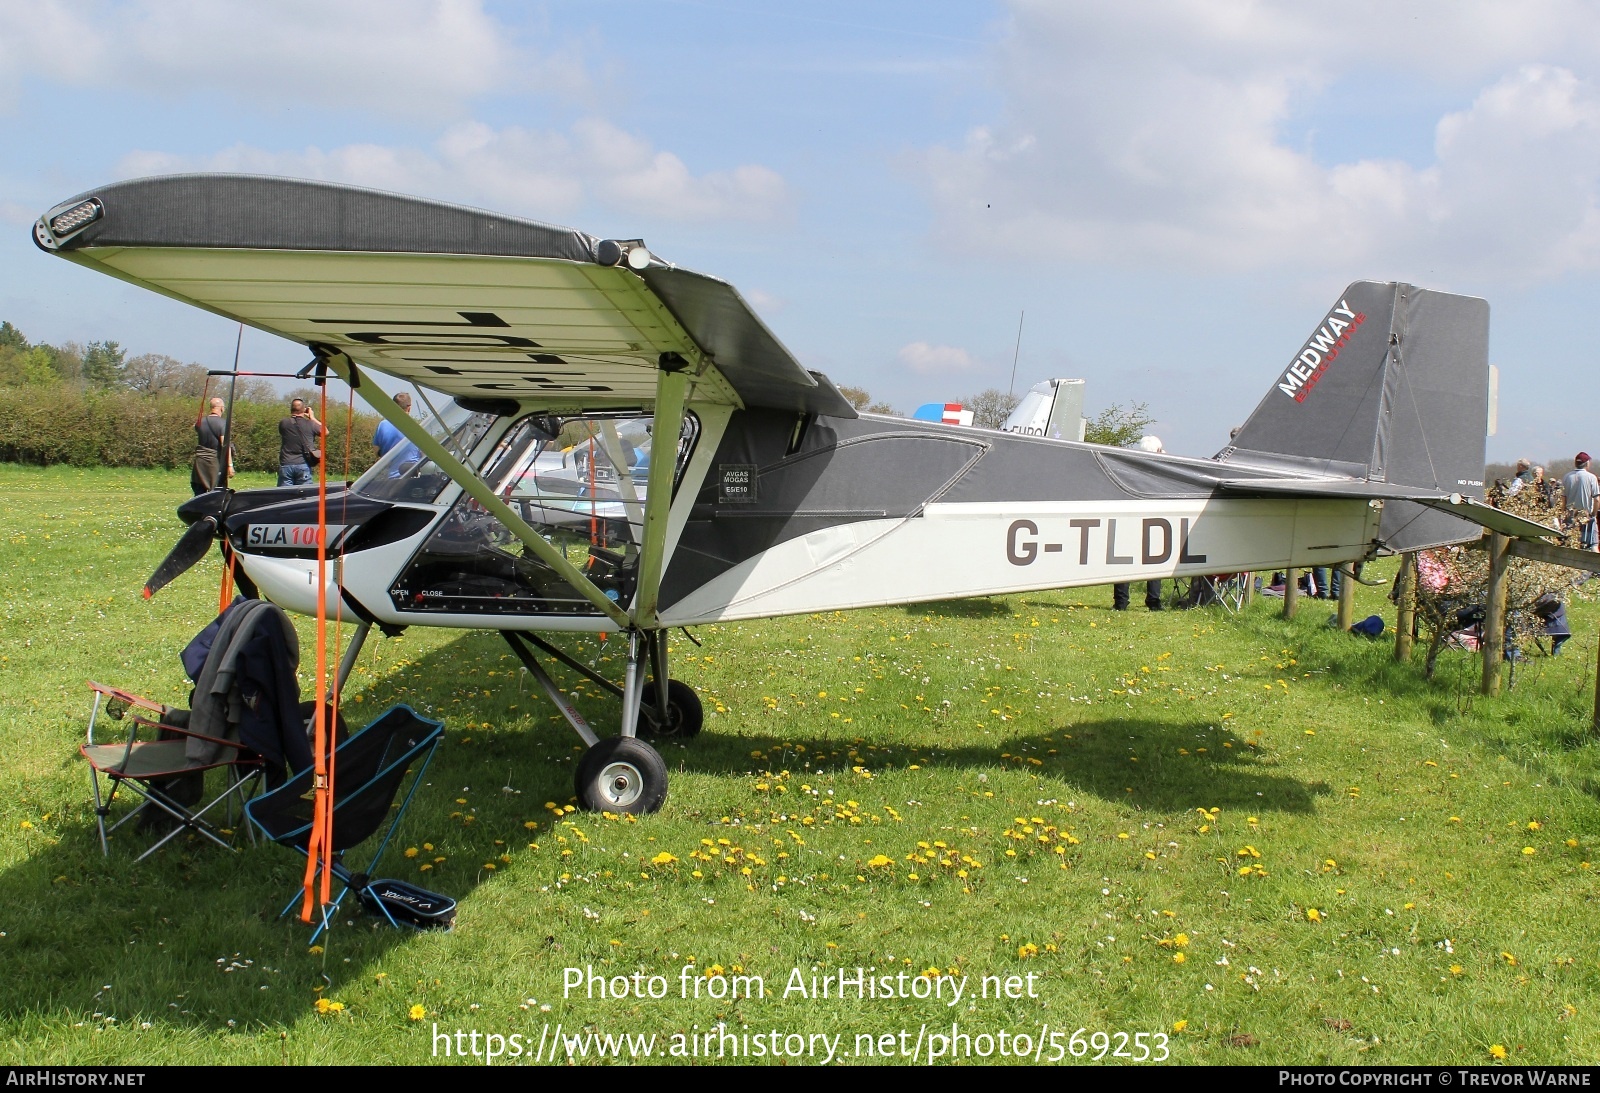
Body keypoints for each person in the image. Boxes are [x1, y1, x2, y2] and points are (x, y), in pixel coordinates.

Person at [191, 396, 234, 495]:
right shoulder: (223, 423)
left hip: (199, 463)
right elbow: (225, 446)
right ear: (221, 408)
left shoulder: (199, 422)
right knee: (216, 493)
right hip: (213, 464)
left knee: (199, 494)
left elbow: (195, 428)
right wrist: (230, 465)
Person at [277, 397, 323, 487]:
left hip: (286, 464)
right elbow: (325, 432)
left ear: (291, 409)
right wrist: (312, 417)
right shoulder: (311, 424)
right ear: (304, 410)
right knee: (304, 496)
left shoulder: (283, 423)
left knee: (284, 497)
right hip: (303, 464)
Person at [372, 391, 422, 475]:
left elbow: (376, 450)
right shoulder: (417, 427)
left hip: (389, 479)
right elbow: (424, 453)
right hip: (411, 477)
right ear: (409, 407)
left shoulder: (382, 425)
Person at [1561, 452, 1599, 550]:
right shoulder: (1591, 477)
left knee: (1570, 545)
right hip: (1587, 516)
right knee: (1592, 546)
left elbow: (1563, 499)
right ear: (1586, 463)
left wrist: (1563, 515)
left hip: (1570, 516)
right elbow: (1597, 499)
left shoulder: (1566, 477)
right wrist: (1593, 515)